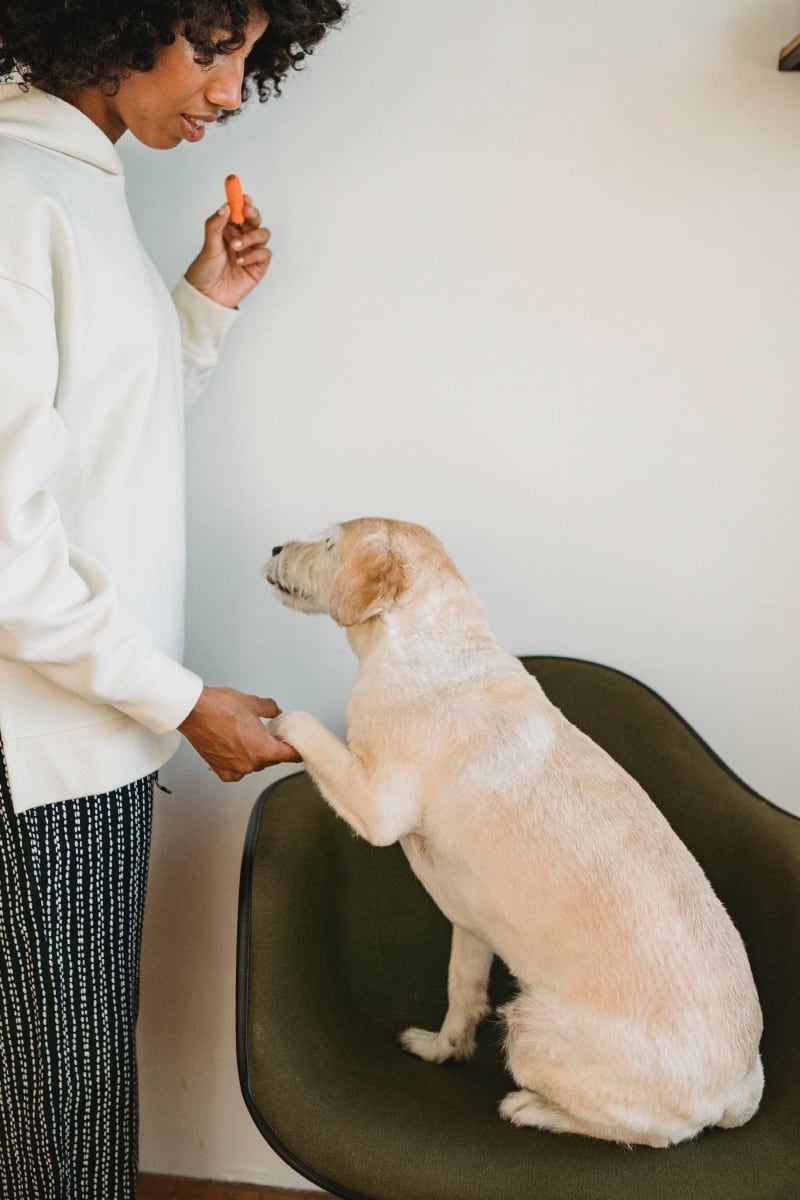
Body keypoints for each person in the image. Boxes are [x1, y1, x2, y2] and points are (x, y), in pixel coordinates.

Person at [0, 1, 345, 1196]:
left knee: (76, 1081)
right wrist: (182, 697)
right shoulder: (13, 193)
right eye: (210, 48)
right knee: (46, 1109)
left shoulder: (81, 183)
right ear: (106, 23)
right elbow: (5, 556)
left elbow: (103, 460)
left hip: (96, 727)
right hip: (33, 752)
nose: (229, 93)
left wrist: (195, 307)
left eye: (251, 54)